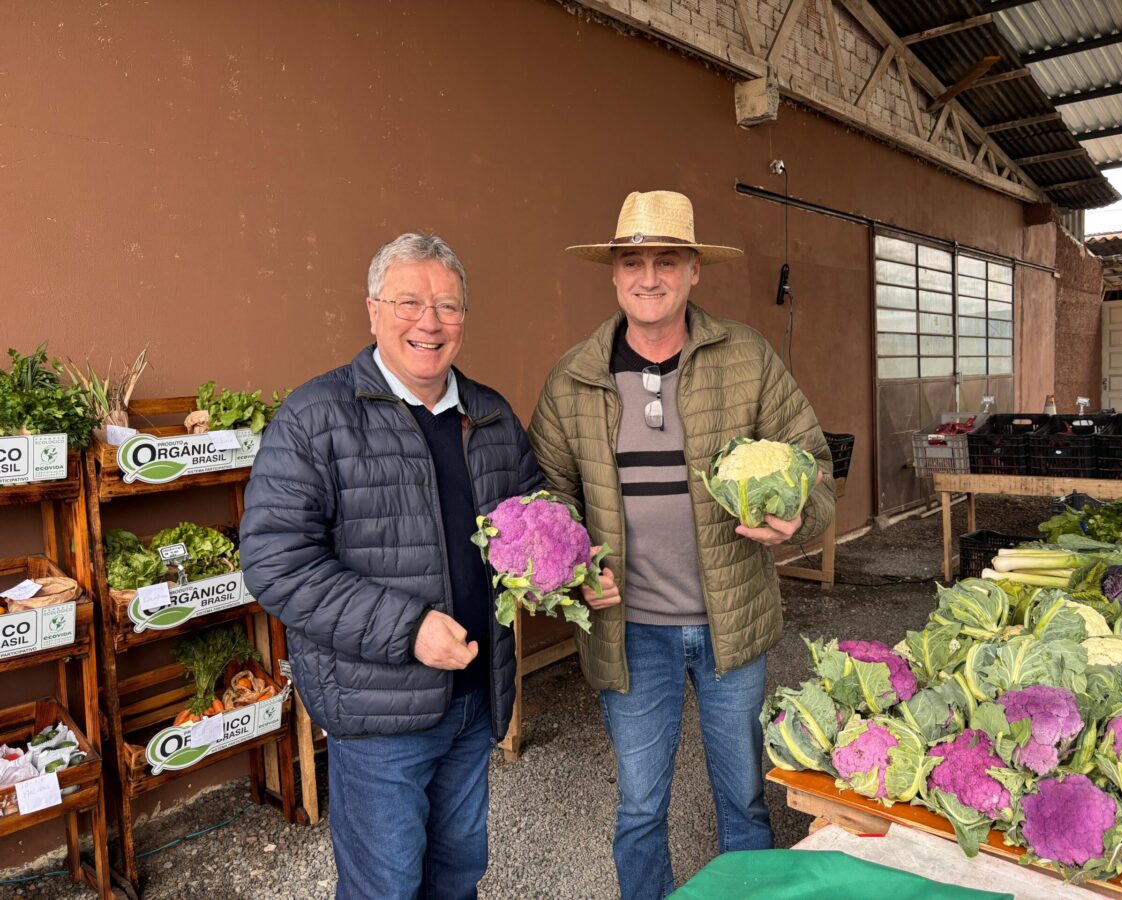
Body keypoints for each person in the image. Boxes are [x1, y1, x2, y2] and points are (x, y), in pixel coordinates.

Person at [528, 190, 835, 899]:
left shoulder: (747, 356)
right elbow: (547, 495)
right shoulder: (575, 377)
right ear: (612, 273)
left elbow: (812, 461)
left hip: (733, 623)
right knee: (640, 808)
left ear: (695, 270)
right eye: (633, 260)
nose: (649, 276)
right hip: (630, 633)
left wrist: (802, 516)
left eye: (668, 259)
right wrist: (573, 573)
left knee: (745, 802)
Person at [240, 233, 541, 900]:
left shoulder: (490, 417)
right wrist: (406, 629)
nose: (429, 322)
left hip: (473, 700)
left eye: (448, 306)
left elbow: (534, 515)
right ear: (372, 310)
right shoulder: (317, 418)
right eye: (409, 301)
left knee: (458, 871)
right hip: (378, 713)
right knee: (386, 885)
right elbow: (273, 560)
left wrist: (568, 565)